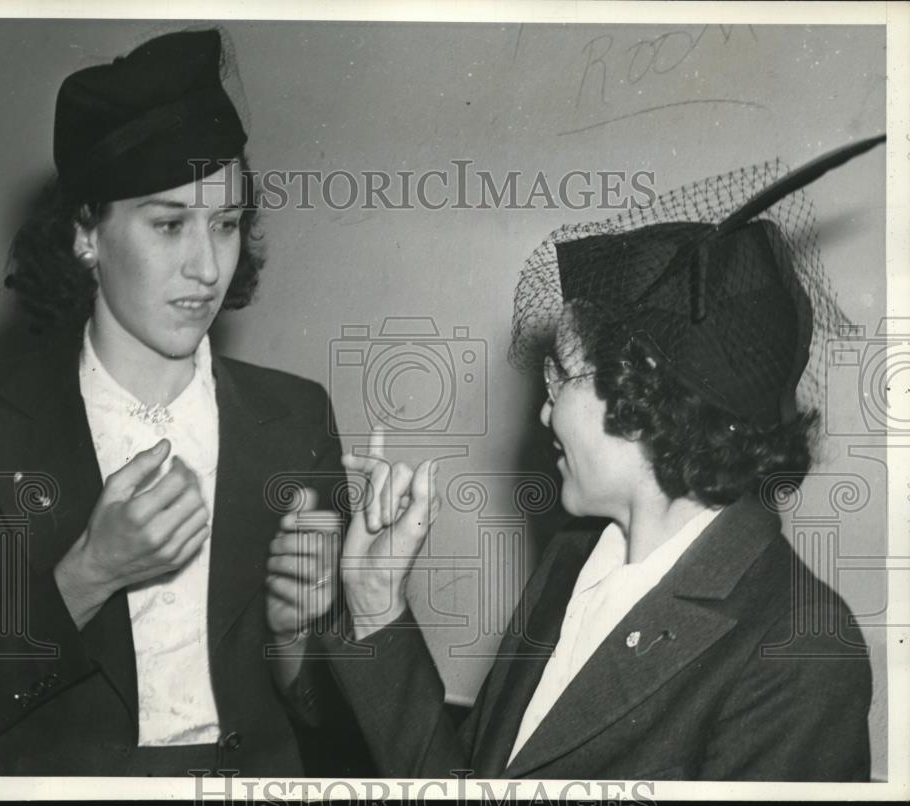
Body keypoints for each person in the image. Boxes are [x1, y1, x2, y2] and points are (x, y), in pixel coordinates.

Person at [316, 139, 882, 781]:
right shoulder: (574, 557)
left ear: (636, 393)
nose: (544, 412)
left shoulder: (802, 652)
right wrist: (373, 598)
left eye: (560, 377)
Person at [0, 28, 366, 777]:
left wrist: (299, 638)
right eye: (169, 225)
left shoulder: (296, 419)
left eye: (226, 224)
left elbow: (328, 722)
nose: (207, 267)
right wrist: (89, 574)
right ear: (85, 235)